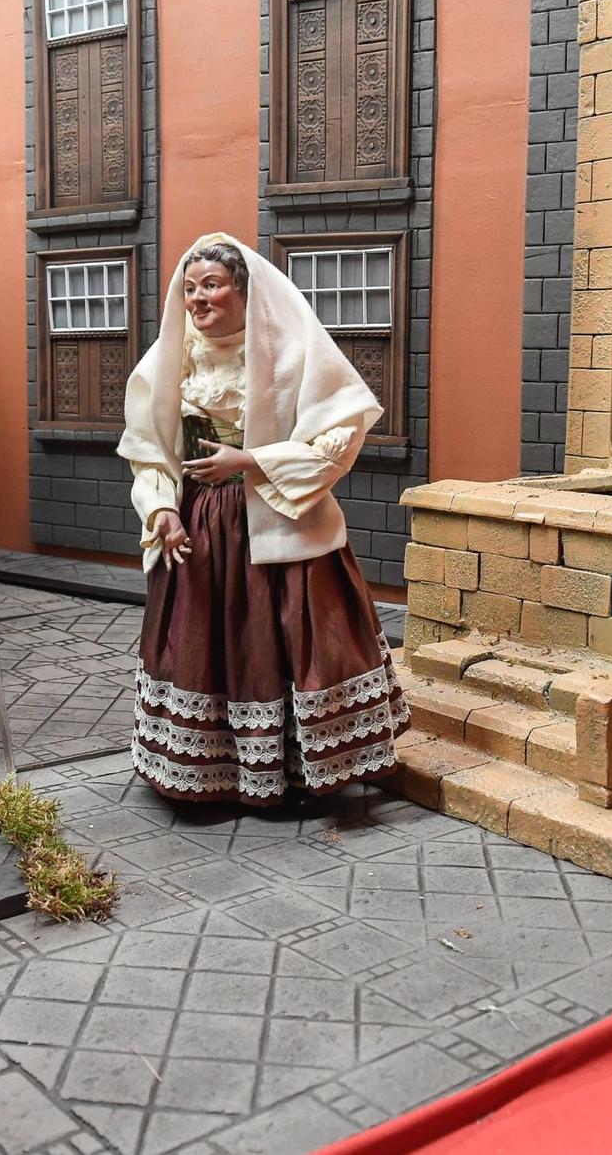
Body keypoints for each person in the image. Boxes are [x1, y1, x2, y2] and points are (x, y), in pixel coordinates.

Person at [119, 231, 408, 806]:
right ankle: (217, 768)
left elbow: (341, 435)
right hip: (203, 523)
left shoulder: (292, 351)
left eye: (212, 286)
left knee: (287, 631)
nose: (197, 299)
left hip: (278, 515)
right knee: (210, 637)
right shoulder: (174, 360)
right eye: (190, 288)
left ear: (243, 291)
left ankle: (300, 766)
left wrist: (252, 460)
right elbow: (148, 447)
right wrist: (161, 508)